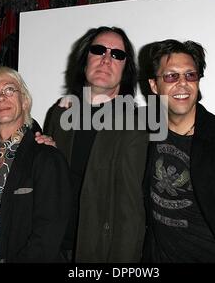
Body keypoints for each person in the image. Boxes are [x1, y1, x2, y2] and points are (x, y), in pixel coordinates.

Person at [43, 26, 148, 262]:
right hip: (53, 247)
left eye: (117, 55)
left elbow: (131, 210)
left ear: (126, 69)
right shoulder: (61, 115)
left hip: (99, 251)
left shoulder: (135, 123)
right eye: (99, 50)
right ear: (84, 59)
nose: (106, 59)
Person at [142, 39, 215, 262]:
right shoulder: (144, 128)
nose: (182, 84)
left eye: (190, 75)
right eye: (171, 76)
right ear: (153, 85)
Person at [0, 66, 71, 263]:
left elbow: (48, 235)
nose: (1, 97)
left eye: (9, 89)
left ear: (25, 101)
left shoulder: (47, 157)